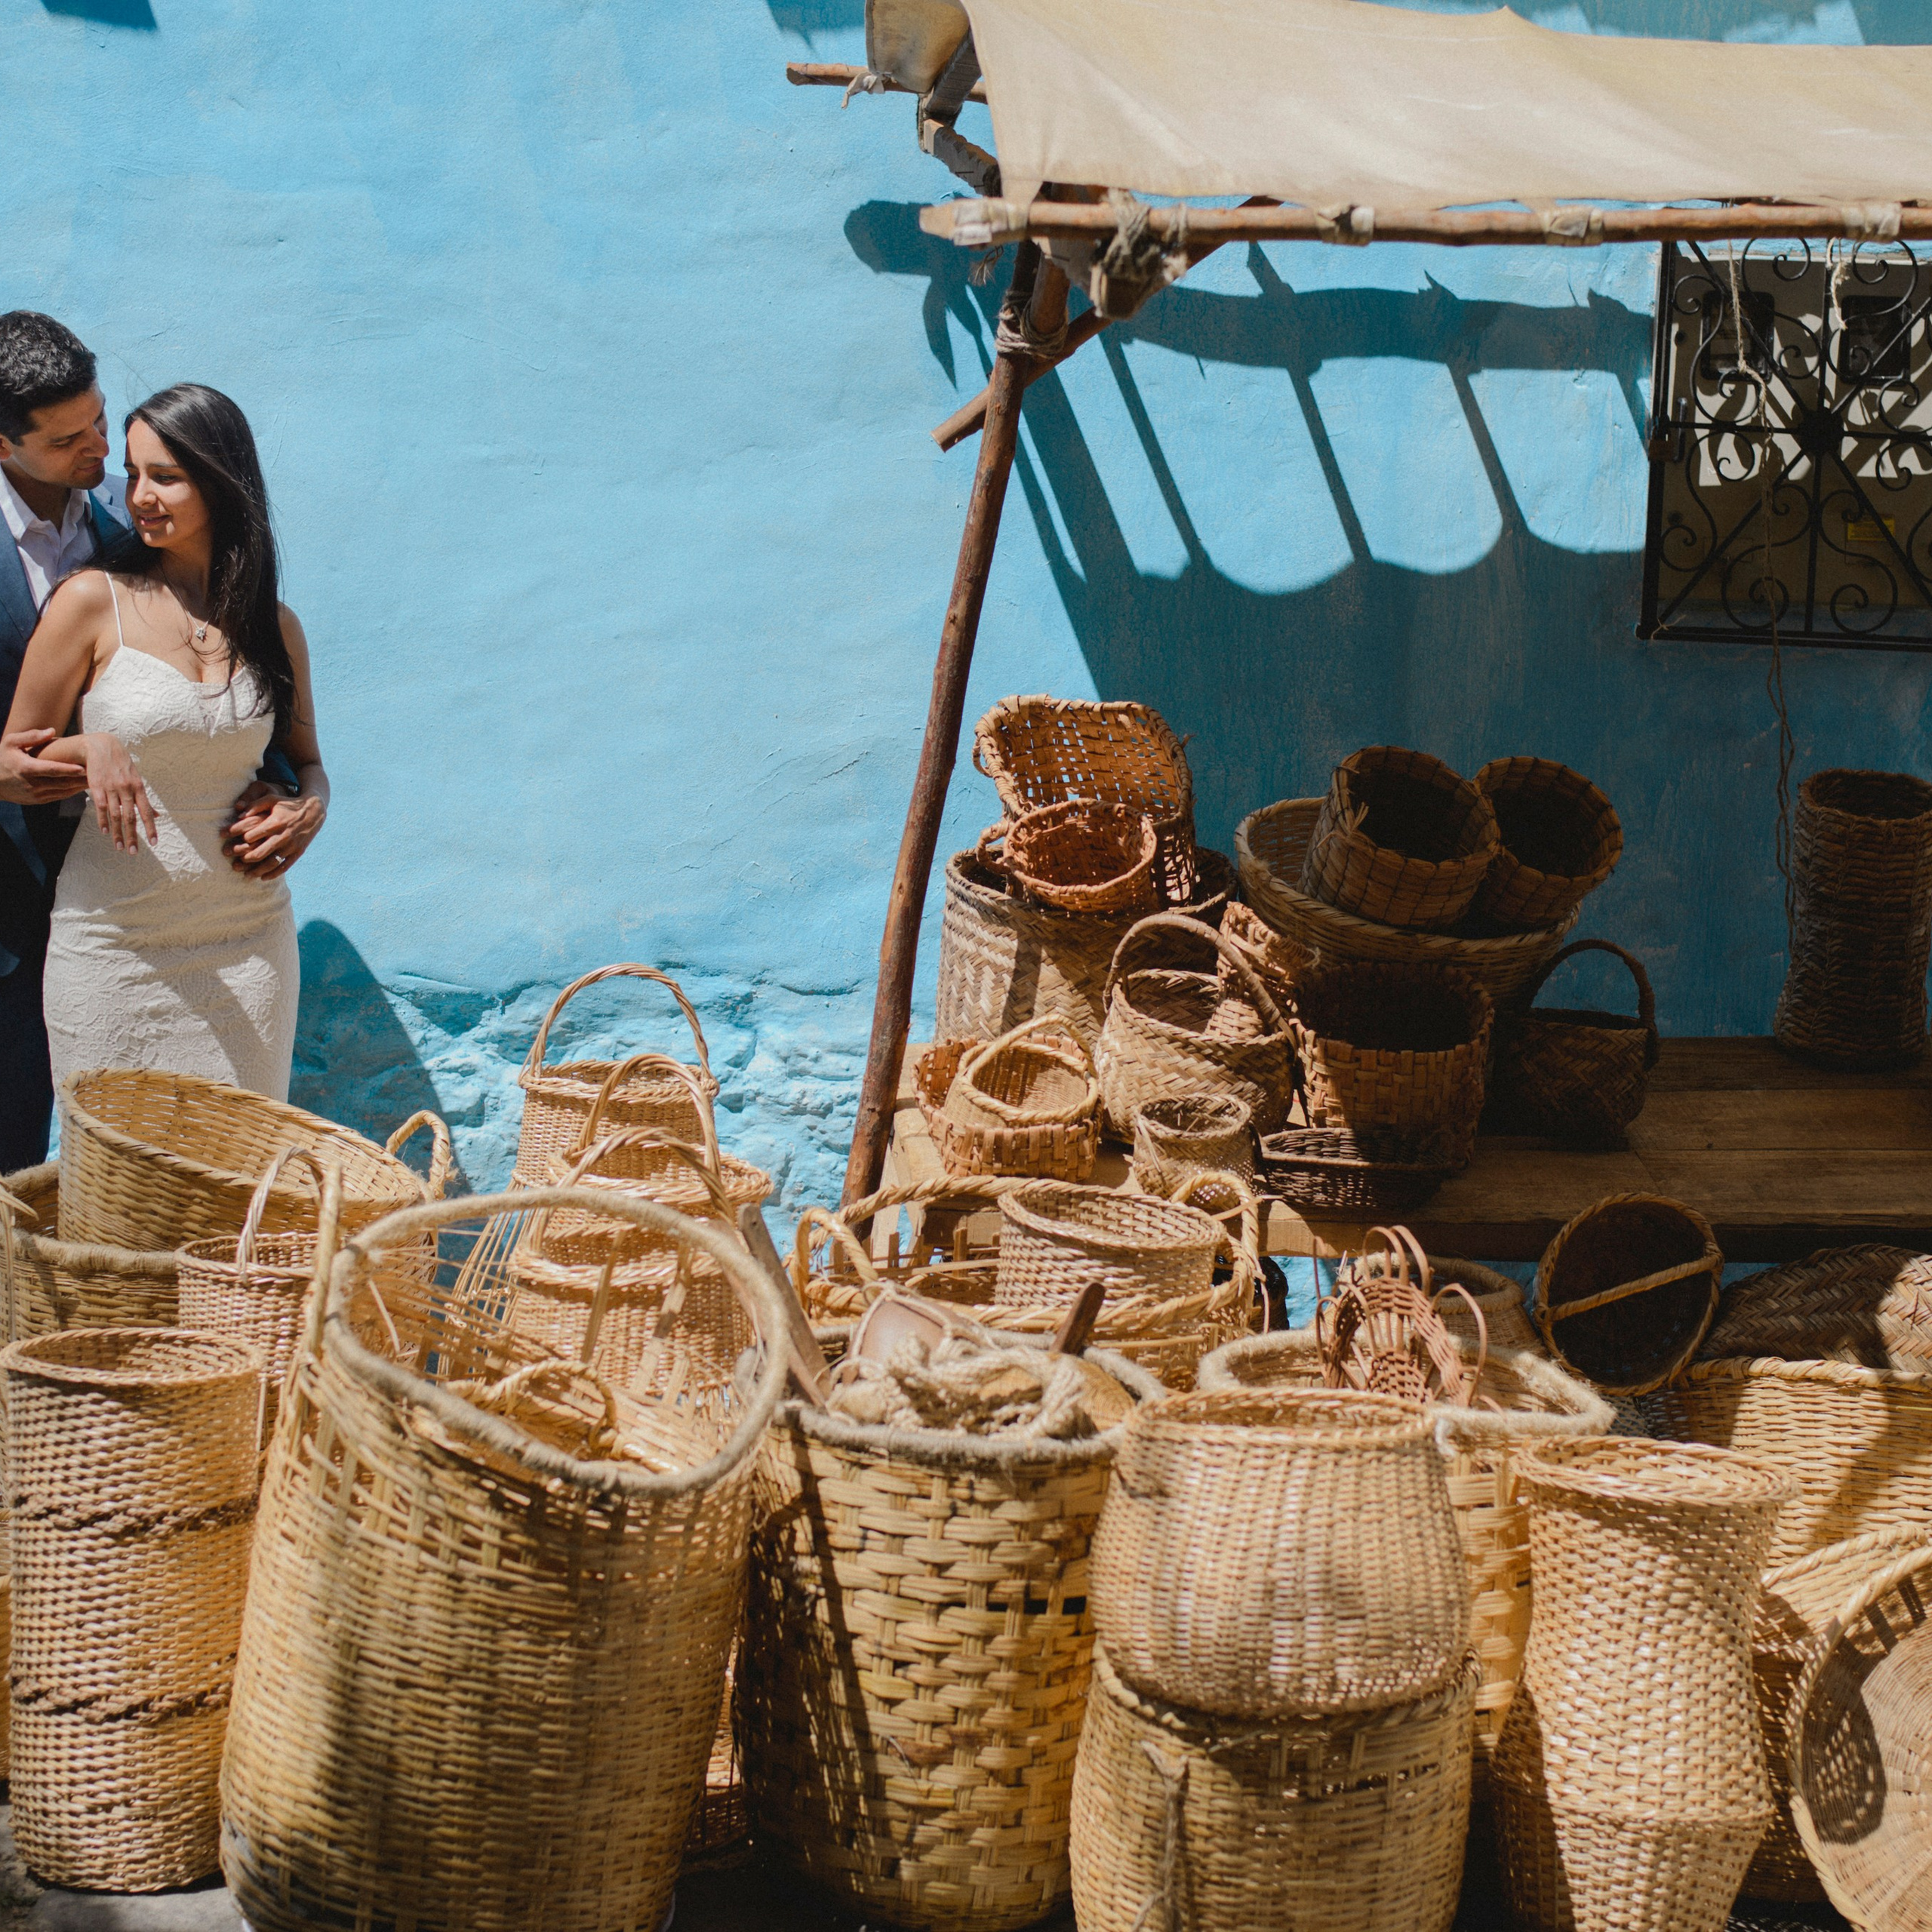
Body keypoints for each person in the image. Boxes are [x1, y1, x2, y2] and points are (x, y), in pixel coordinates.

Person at [4, 383, 328, 1102]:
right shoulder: (91, 601)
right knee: (115, 1192)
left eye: (166, 477)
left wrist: (311, 807)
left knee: (240, 1188)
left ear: (221, 482)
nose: (139, 495)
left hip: (250, 941)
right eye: (135, 472)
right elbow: (8, 761)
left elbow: (307, 764)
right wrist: (92, 749)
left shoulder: (276, 625)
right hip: (111, 946)